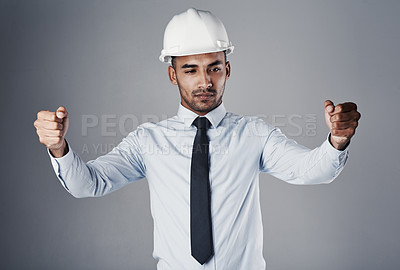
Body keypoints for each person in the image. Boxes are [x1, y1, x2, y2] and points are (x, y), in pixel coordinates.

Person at [33, 8, 361, 270]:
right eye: (191, 70)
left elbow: (311, 169)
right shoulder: (147, 140)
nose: (205, 81)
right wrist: (59, 148)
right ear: (172, 74)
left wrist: (337, 139)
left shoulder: (255, 134)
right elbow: (88, 183)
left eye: (214, 68)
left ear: (228, 70)